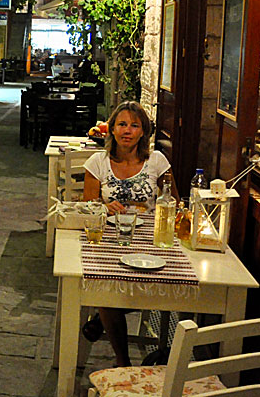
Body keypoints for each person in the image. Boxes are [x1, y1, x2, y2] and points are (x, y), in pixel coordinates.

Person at [81, 100, 172, 366]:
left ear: (144, 131)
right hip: (110, 240)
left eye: (135, 125)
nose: (127, 131)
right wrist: (104, 206)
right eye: (122, 124)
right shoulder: (97, 162)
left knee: (112, 297)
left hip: (150, 241)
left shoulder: (157, 161)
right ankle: (123, 361)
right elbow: (87, 207)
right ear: (111, 129)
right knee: (106, 288)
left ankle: (101, 320)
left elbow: (172, 201)